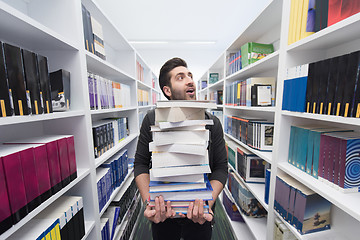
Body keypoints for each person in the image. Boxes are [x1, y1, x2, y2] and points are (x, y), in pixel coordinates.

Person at [134, 57, 228, 240]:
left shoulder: (212, 123)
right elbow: (140, 164)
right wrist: (150, 204)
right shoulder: (151, 120)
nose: (190, 80)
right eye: (180, 77)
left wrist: (207, 202)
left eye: (190, 75)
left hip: (200, 215)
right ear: (167, 90)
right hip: (163, 214)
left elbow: (220, 169)